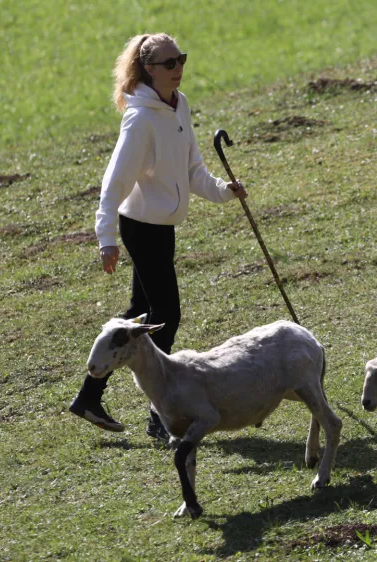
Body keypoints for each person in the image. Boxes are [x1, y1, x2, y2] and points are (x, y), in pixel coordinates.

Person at [69, 33, 247, 440]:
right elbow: (113, 185)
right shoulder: (141, 120)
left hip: (162, 227)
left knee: (141, 312)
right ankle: (159, 415)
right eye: (169, 63)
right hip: (141, 228)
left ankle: (89, 397)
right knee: (165, 316)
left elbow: (193, 169)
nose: (178, 68)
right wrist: (106, 238)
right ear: (149, 69)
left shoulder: (178, 105)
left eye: (180, 59)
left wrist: (223, 190)